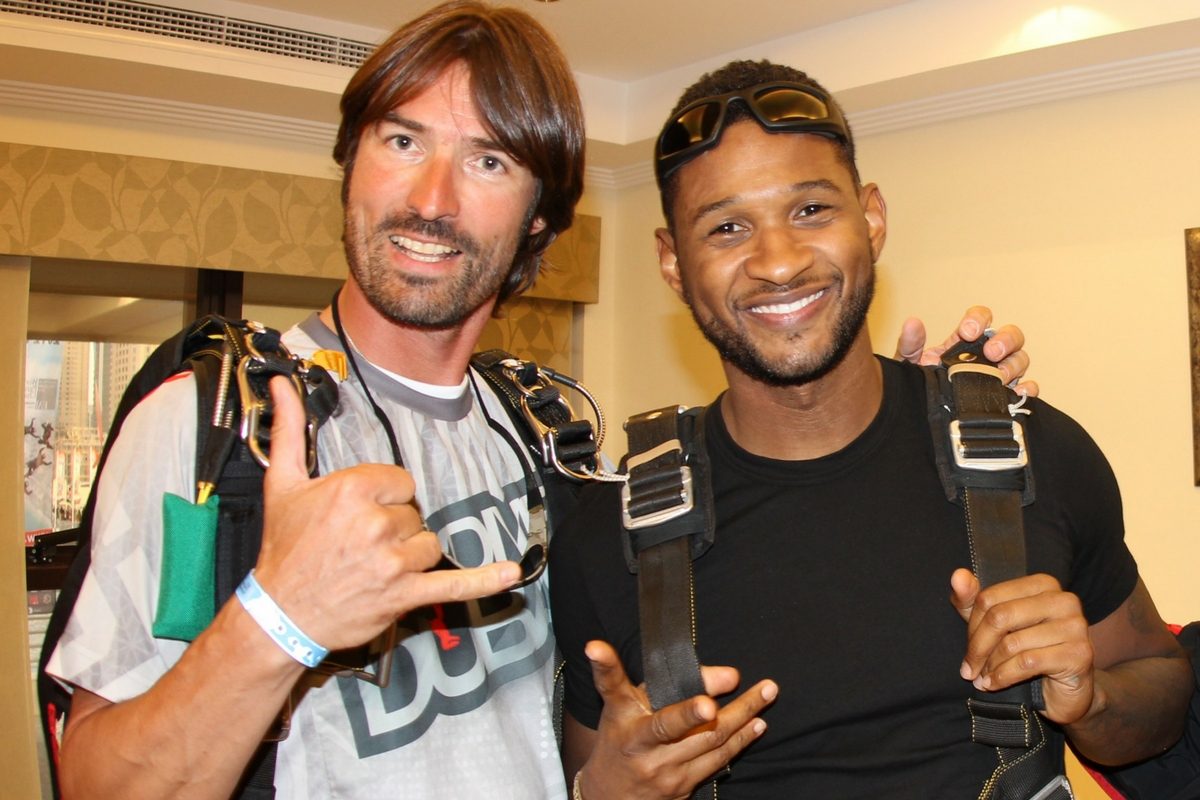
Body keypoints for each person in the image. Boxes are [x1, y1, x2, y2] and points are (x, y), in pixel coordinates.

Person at [45, 4, 1033, 797]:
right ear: (350, 163)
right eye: (401, 139)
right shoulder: (215, 426)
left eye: (488, 161)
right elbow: (97, 778)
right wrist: (280, 616)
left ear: (538, 223)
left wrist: (925, 408)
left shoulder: (550, 439)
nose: (432, 197)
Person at [549, 59, 1194, 799]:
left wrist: (1092, 700)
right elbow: (593, 774)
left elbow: (1162, 694)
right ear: (672, 263)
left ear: (873, 219)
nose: (779, 262)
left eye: (812, 210)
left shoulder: (1034, 454)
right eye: (727, 227)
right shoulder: (607, 537)